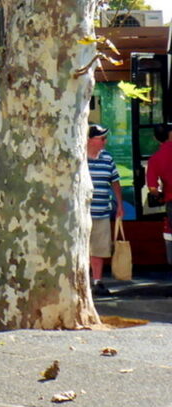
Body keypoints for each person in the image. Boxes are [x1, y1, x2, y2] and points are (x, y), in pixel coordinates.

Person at [87, 124, 124, 297]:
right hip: (82, 215)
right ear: (90, 140)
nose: (105, 141)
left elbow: (115, 181)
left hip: (101, 211)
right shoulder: (78, 159)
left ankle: (97, 281)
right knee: (83, 249)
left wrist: (120, 205)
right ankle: (84, 282)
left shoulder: (107, 158)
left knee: (99, 249)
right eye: (101, 138)